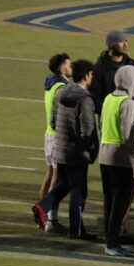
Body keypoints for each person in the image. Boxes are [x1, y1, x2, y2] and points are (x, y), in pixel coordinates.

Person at [32, 60, 99, 240]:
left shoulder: (61, 91)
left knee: (65, 185)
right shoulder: (85, 98)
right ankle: (76, 230)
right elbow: (88, 129)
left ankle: (43, 206)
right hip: (76, 153)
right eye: (91, 75)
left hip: (59, 148)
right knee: (78, 191)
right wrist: (92, 150)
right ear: (86, 75)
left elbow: (53, 121)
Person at [98, 65, 134, 257]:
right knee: (121, 202)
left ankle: (109, 239)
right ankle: (113, 242)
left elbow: (101, 125)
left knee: (109, 200)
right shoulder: (128, 103)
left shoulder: (109, 98)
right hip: (120, 157)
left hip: (104, 154)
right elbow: (128, 134)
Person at [38, 53, 71, 233]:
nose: (71, 66)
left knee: (50, 173)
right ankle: (51, 219)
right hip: (58, 135)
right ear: (61, 69)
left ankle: (42, 215)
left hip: (49, 134)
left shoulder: (51, 83)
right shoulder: (62, 87)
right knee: (57, 177)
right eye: (68, 63)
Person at [89, 30, 134, 116]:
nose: (125, 45)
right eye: (121, 42)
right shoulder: (99, 66)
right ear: (112, 45)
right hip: (108, 115)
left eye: (126, 41)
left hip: (129, 113)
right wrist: (106, 111)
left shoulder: (132, 64)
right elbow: (94, 94)